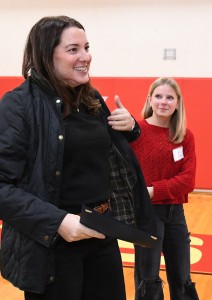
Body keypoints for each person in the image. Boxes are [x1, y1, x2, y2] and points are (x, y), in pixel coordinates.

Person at [0, 16, 155, 300]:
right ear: (47, 56)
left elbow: (100, 155)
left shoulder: (91, 99)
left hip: (101, 233)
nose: (86, 56)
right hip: (52, 246)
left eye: (87, 47)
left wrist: (130, 128)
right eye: (73, 49)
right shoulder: (19, 104)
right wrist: (59, 222)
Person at [130, 77, 199, 300]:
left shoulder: (185, 136)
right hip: (148, 215)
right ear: (149, 99)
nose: (163, 102)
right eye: (158, 96)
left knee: (182, 276)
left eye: (170, 97)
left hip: (176, 213)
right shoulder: (136, 132)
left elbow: (188, 181)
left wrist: (152, 191)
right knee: (148, 278)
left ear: (178, 103)